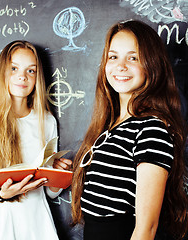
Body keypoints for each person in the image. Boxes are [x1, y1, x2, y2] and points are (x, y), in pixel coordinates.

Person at [71, 20, 188, 240]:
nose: (120, 66)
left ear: (151, 64)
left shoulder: (151, 128)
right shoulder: (110, 126)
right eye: (113, 56)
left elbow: (146, 228)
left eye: (133, 58)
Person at [0, 40, 72, 240]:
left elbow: (49, 193)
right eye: (14, 68)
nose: (22, 76)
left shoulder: (46, 121)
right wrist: (2, 195)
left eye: (31, 71)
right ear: (2, 72)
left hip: (37, 228)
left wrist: (58, 178)